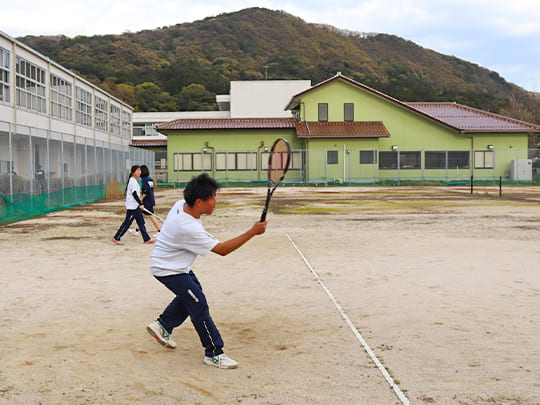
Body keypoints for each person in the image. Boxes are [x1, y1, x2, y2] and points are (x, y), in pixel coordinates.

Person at [146, 173, 266, 369]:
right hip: (167, 268)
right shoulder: (187, 227)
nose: (215, 202)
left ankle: (163, 325)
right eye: (212, 198)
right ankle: (214, 353)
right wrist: (252, 232)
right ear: (199, 202)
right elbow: (222, 250)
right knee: (198, 303)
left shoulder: (182, 205)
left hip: (175, 264)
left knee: (194, 294)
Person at [111, 165, 156, 245]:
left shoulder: (135, 181)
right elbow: (134, 194)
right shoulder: (132, 181)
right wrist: (141, 204)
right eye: (137, 170)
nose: (139, 172)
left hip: (136, 207)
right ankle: (116, 237)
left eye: (140, 170)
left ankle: (146, 239)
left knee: (141, 223)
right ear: (133, 172)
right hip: (132, 207)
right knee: (127, 223)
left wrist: (139, 204)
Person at [129, 164, 160, 238]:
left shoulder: (144, 180)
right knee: (141, 215)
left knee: (151, 216)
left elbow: (146, 190)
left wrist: (141, 199)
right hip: (150, 200)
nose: (139, 172)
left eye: (140, 171)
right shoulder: (150, 179)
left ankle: (160, 231)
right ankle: (137, 230)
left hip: (147, 201)